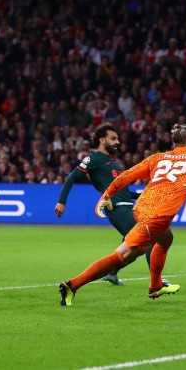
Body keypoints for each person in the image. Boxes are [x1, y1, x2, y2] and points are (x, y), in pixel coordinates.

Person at [58, 124, 186, 306]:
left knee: (166, 239)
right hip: (156, 217)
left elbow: (126, 176)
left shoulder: (158, 157)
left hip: (142, 208)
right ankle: (72, 285)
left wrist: (107, 195)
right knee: (122, 257)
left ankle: (155, 285)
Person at [54, 123, 145, 286]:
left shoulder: (113, 163)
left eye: (118, 139)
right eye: (113, 138)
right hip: (116, 207)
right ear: (102, 140)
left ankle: (112, 274)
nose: (118, 142)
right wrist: (62, 201)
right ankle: (157, 283)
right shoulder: (94, 159)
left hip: (127, 205)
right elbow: (72, 176)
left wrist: (143, 194)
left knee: (133, 248)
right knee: (146, 238)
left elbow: (125, 191)